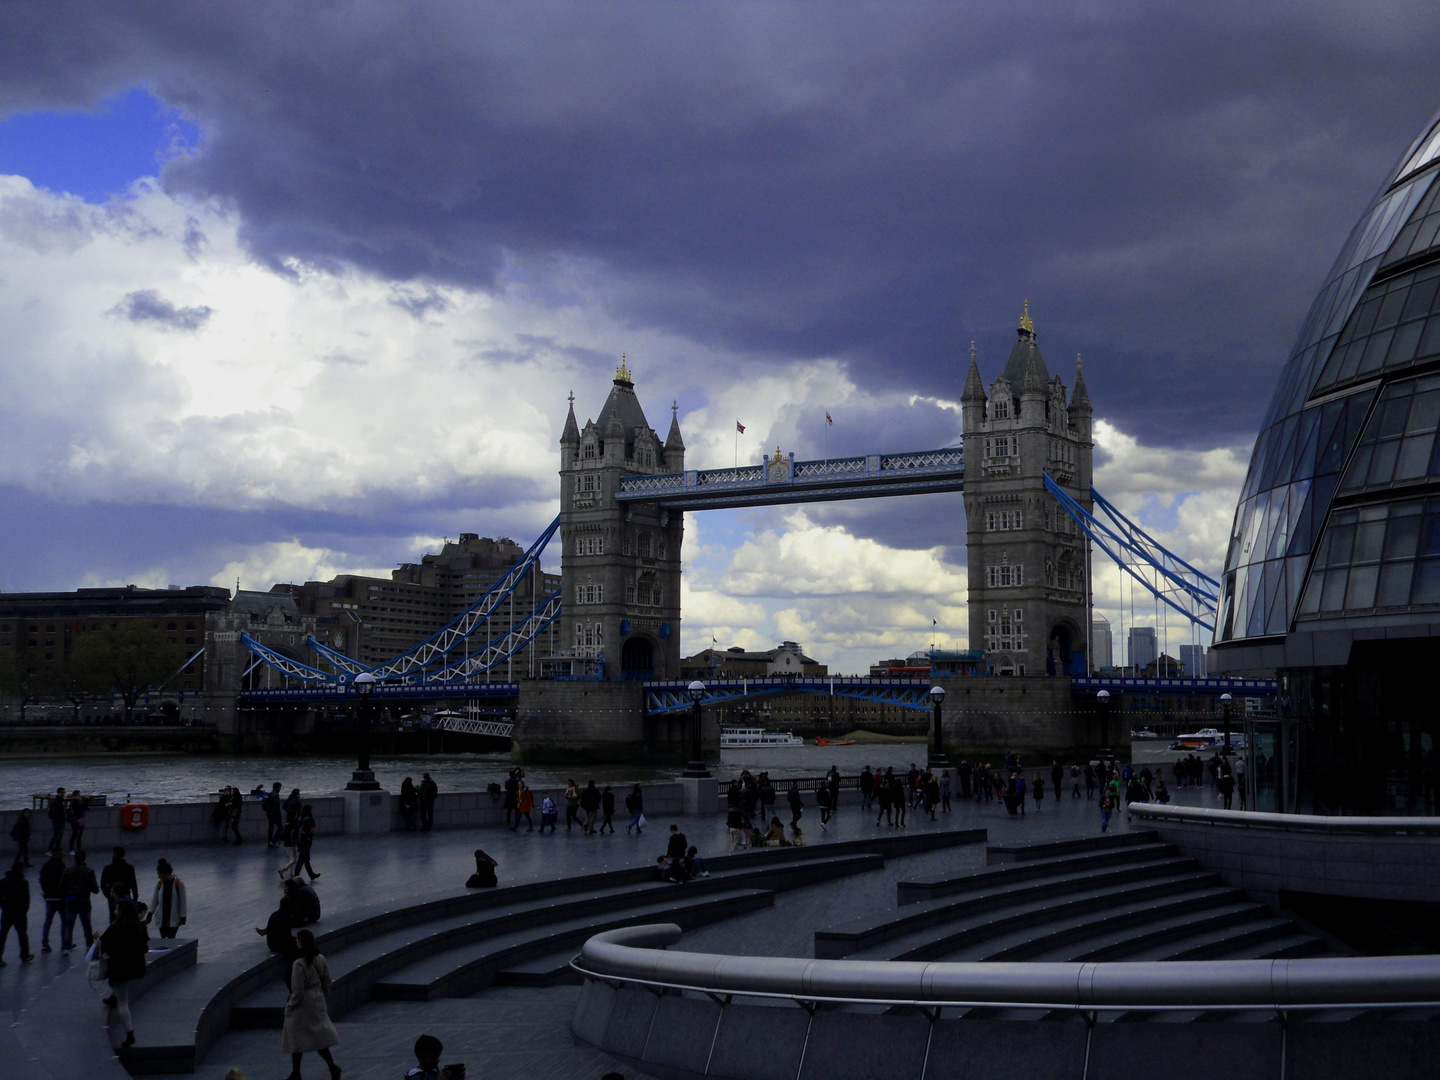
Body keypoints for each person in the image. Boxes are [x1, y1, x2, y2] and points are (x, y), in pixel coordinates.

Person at [282, 928, 342, 1080]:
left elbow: (297, 991)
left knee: (296, 1036)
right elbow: (327, 980)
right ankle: (332, 1067)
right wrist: (323, 995)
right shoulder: (320, 958)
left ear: (299, 942)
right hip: (317, 1000)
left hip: (303, 1005)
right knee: (319, 1037)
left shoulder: (299, 963)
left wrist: (290, 1006)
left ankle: (296, 1073)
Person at [100, 897, 148, 1048]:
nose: (114, 911)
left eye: (116, 908)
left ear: (121, 911)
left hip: (120, 970)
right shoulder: (140, 926)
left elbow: (104, 946)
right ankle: (113, 996)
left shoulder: (114, 928)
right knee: (123, 996)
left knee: (122, 1003)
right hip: (136, 969)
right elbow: (144, 948)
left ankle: (130, 1033)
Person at [59, 848, 98, 951]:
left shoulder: (67, 870)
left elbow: (61, 887)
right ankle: (89, 945)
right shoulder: (89, 871)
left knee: (69, 925)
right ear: (84, 858)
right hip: (84, 899)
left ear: (75, 858)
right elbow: (95, 889)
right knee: (86, 924)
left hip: (70, 899)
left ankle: (66, 947)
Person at [0, 859, 33, 965]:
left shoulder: (4, 881)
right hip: (19, 913)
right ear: (20, 869)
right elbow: (26, 899)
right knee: (22, 934)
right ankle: (25, 955)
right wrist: (23, 910)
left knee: (3, 934)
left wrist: (4, 907)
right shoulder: (23, 882)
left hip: (7, 912)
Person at [146, 859, 187, 938]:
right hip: (162, 917)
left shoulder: (178, 883)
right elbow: (155, 900)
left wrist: (183, 916)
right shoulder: (160, 883)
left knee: (171, 937)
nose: (158, 877)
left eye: (160, 875)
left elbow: (183, 901)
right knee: (164, 938)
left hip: (174, 917)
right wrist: (150, 913)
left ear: (166, 873)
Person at [101, 847, 139, 922]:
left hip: (113, 898)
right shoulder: (129, 868)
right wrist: (135, 898)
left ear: (114, 854)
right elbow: (133, 884)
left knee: (114, 919)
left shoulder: (108, 868)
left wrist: (109, 896)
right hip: (126, 897)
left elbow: (103, 885)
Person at [38, 849, 64, 952]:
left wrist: (46, 893)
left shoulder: (46, 866)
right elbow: (64, 881)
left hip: (49, 897)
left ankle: (45, 943)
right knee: (64, 921)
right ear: (57, 855)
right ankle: (65, 943)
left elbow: (41, 880)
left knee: (48, 921)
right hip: (59, 898)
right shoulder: (62, 866)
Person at [296, 805, 320, 880]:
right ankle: (296, 875)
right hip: (307, 841)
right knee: (302, 858)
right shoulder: (310, 819)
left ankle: (311, 874)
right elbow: (312, 831)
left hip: (300, 840)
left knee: (305, 858)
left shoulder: (300, 818)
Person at [46, 788, 67, 855]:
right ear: (58, 793)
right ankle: (49, 850)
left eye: (64, 792)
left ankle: (57, 851)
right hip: (58, 821)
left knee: (58, 837)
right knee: (56, 836)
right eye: (62, 792)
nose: (63, 794)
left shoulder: (57, 800)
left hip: (58, 821)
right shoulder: (57, 801)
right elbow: (56, 812)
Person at [67, 790, 87, 854]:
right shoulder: (75, 801)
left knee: (77, 835)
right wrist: (86, 800)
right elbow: (82, 806)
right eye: (79, 794)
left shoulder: (74, 801)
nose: (80, 795)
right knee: (76, 835)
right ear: (76, 795)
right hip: (77, 819)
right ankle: (73, 849)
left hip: (79, 819)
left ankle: (77, 848)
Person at [265, 782, 285, 847]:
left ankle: (269, 842)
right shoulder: (276, 795)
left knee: (271, 828)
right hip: (275, 815)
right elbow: (276, 806)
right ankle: (273, 841)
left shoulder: (270, 794)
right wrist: (279, 814)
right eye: (280, 787)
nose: (280, 789)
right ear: (277, 787)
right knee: (280, 827)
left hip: (269, 814)